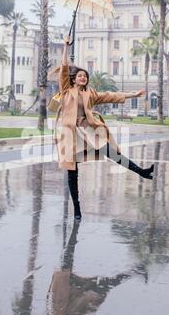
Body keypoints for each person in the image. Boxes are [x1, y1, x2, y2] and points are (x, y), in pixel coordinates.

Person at [54, 36, 155, 220]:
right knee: (72, 172)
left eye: (85, 76)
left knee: (112, 152)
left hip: (87, 131)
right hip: (70, 134)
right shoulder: (66, 91)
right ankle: (76, 209)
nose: (83, 77)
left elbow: (112, 95)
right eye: (79, 76)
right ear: (74, 80)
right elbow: (63, 68)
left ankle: (141, 171)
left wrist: (134, 94)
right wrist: (65, 46)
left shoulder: (91, 94)